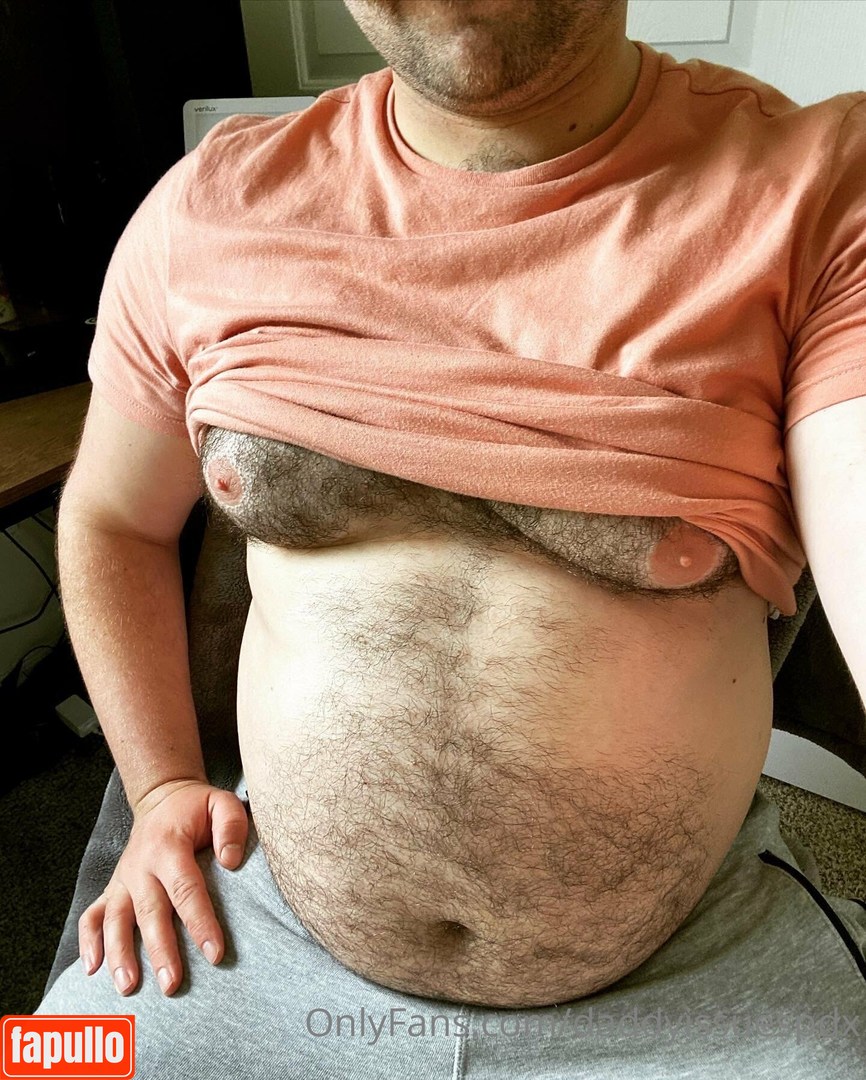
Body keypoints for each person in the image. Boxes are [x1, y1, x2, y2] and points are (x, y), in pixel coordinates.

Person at [42, 0, 866, 1074]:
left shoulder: (818, 188)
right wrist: (158, 790)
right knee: (51, 1060)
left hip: (703, 981)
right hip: (249, 923)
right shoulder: (207, 204)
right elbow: (110, 519)